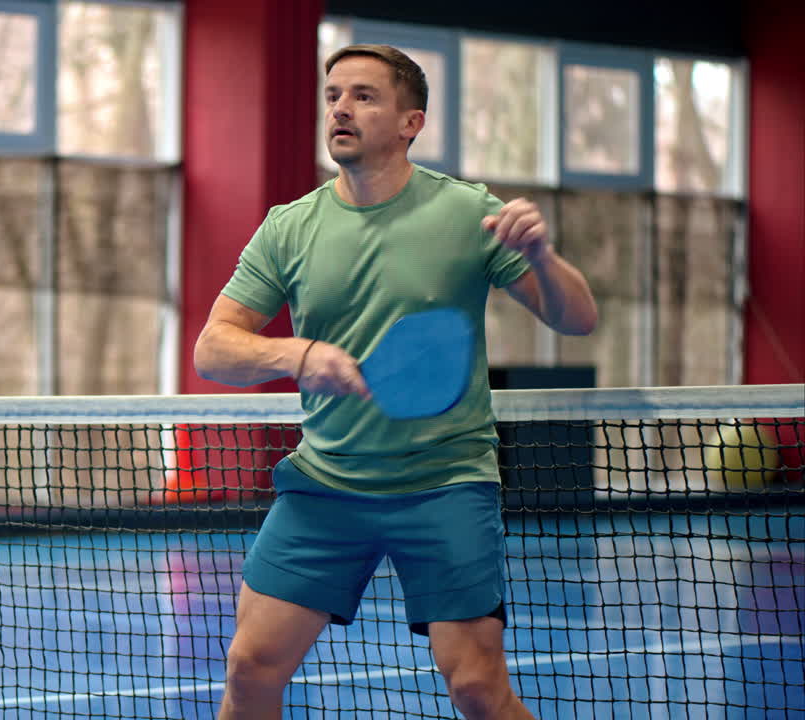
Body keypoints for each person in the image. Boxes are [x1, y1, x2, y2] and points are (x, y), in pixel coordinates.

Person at [193, 44, 599, 720]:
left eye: (363, 96)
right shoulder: (289, 228)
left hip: (443, 481)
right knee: (249, 667)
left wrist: (542, 258)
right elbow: (213, 348)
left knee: (476, 688)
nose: (341, 109)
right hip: (327, 484)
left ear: (411, 122)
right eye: (332, 96)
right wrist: (296, 354)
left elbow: (577, 319)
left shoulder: (468, 213)